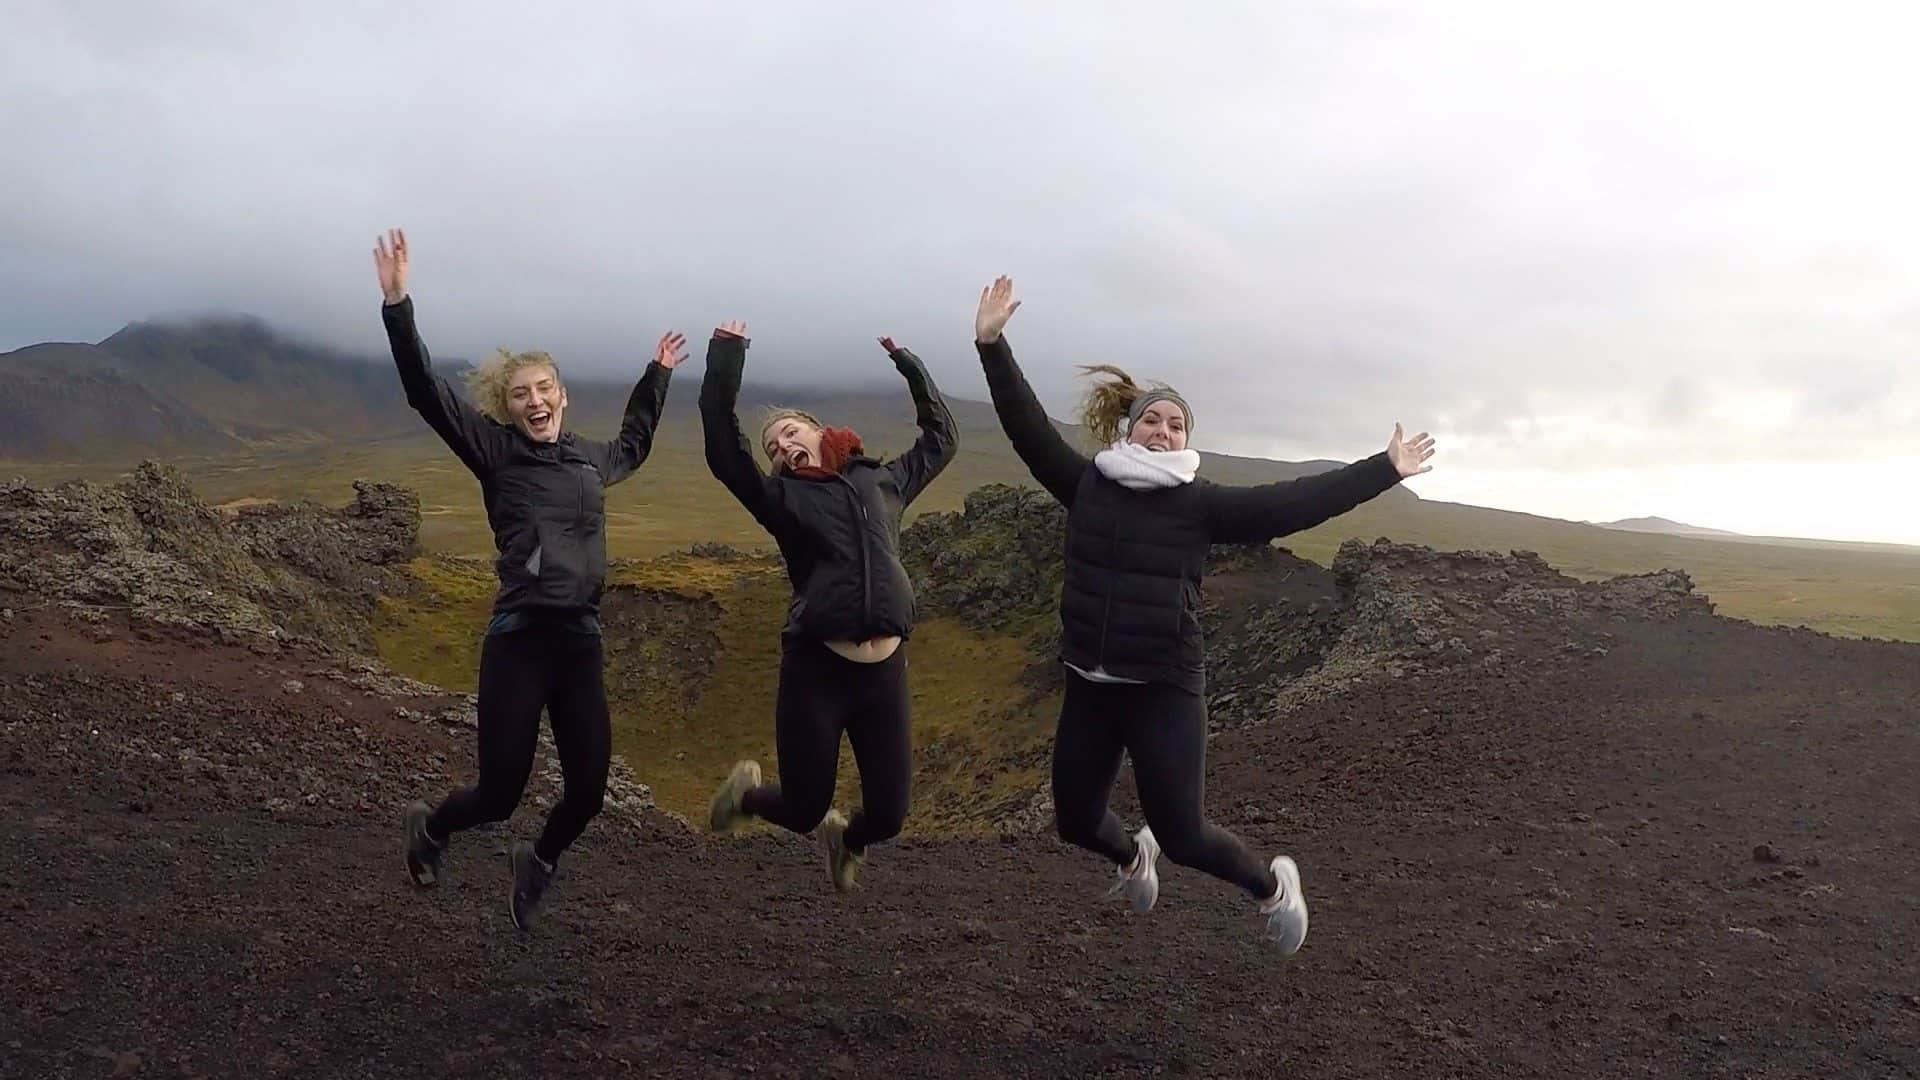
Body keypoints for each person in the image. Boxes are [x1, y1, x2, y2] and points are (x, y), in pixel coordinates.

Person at [970, 275, 1436, 954]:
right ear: (1129, 429)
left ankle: (1273, 889)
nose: (1163, 430)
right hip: (1091, 684)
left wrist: (1383, 469)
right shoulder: (1085, 484)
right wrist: (992, 345)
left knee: (1184, 834)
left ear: (1186, 439)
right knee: (1074, 820)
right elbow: (1025, 426)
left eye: (1176, 424)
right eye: (1152, 420)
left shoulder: (1199, 504)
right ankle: (1133, 857)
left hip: (1163, 687)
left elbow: (1293, 503)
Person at [376, 228, 687, 931]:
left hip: (579, 643)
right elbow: (425, 391)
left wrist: (657, 373)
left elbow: (635, 443)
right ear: (507, 406)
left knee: (589, 794)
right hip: (519, 641)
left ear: (563, 396)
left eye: (545, 388)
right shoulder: (493, 451)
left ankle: (538, 860)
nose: (535, 400)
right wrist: (398, 303)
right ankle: (432, 828)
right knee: (499, 795)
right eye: (521, 394)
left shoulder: (588, 461)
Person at [699, 319, 957, 892]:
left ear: (818, 432)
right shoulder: (780, 498)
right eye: (773, 448)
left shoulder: (883, 482)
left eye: (791, 433)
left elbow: (942, 439)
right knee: (802, 809)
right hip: (816, 672)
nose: (783, 447)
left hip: (884, 675)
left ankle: (848, 840)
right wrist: (727, 355)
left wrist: (910, 365)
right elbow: (722, 446)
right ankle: (746, 796)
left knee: (888, 817)